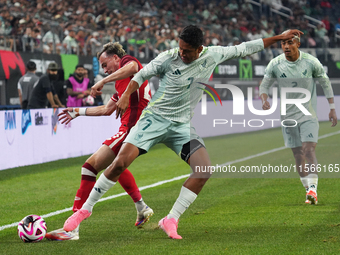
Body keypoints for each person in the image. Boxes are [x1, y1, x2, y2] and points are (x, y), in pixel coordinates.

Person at [63, 25, 303, 239]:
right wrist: (126, 94)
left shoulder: (213, 55)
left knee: (204, 170)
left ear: (199, 49)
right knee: (118, 164)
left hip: (180, 126)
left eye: (187, 50)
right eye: (180, 48)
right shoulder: (168, 58)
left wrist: (279, 37)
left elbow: (246, 47)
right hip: (153, 120)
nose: (181, 53)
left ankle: (171, 219)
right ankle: (86, 210)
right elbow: (140, 73)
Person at [45, 42, 153, 241]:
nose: (104, 70)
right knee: (115, 166)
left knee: (89, 167)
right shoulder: (122, 83)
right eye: (102, 67)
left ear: (115, 57)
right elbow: (106, 109)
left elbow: (134, 67)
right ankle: (142, 207)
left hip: (133, 129)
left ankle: (72, 228)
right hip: (131, 129)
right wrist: (78, 112)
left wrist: (103, 81)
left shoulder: (128, 63)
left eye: (105, 64)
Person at [259, 33, 337, 205]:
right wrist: (265, 99)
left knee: (308, 150)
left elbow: (325, 82)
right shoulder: (276, 64)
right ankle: (307, 188)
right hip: (287, 116)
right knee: (297, 154)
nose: (286, 46)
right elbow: (265, 84)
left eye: (289, 43)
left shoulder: (310, 62)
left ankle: (313, 190)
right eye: (283, 44)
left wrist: (332, 108)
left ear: (298, 44)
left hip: (308, 114)